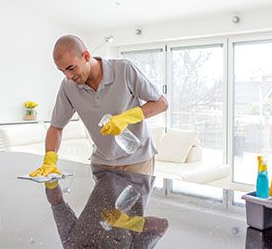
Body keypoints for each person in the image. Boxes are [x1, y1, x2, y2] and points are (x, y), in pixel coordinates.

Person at [30, 35, 168, 177]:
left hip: (137, 161)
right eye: (63, 71)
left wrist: (126, 118)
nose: (69, 76)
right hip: (102, 163)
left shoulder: (124, 69)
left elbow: (161, 103)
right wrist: (49, 161)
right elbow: (56, 127)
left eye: (71, 68)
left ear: (86, 56)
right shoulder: (68, 87)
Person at [45, 165, 169, 248]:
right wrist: (130, 223)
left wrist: (51, 182)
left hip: (103, 167)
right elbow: (162, 226)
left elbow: (57, 203)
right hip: (138, 172)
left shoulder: (71, 244)